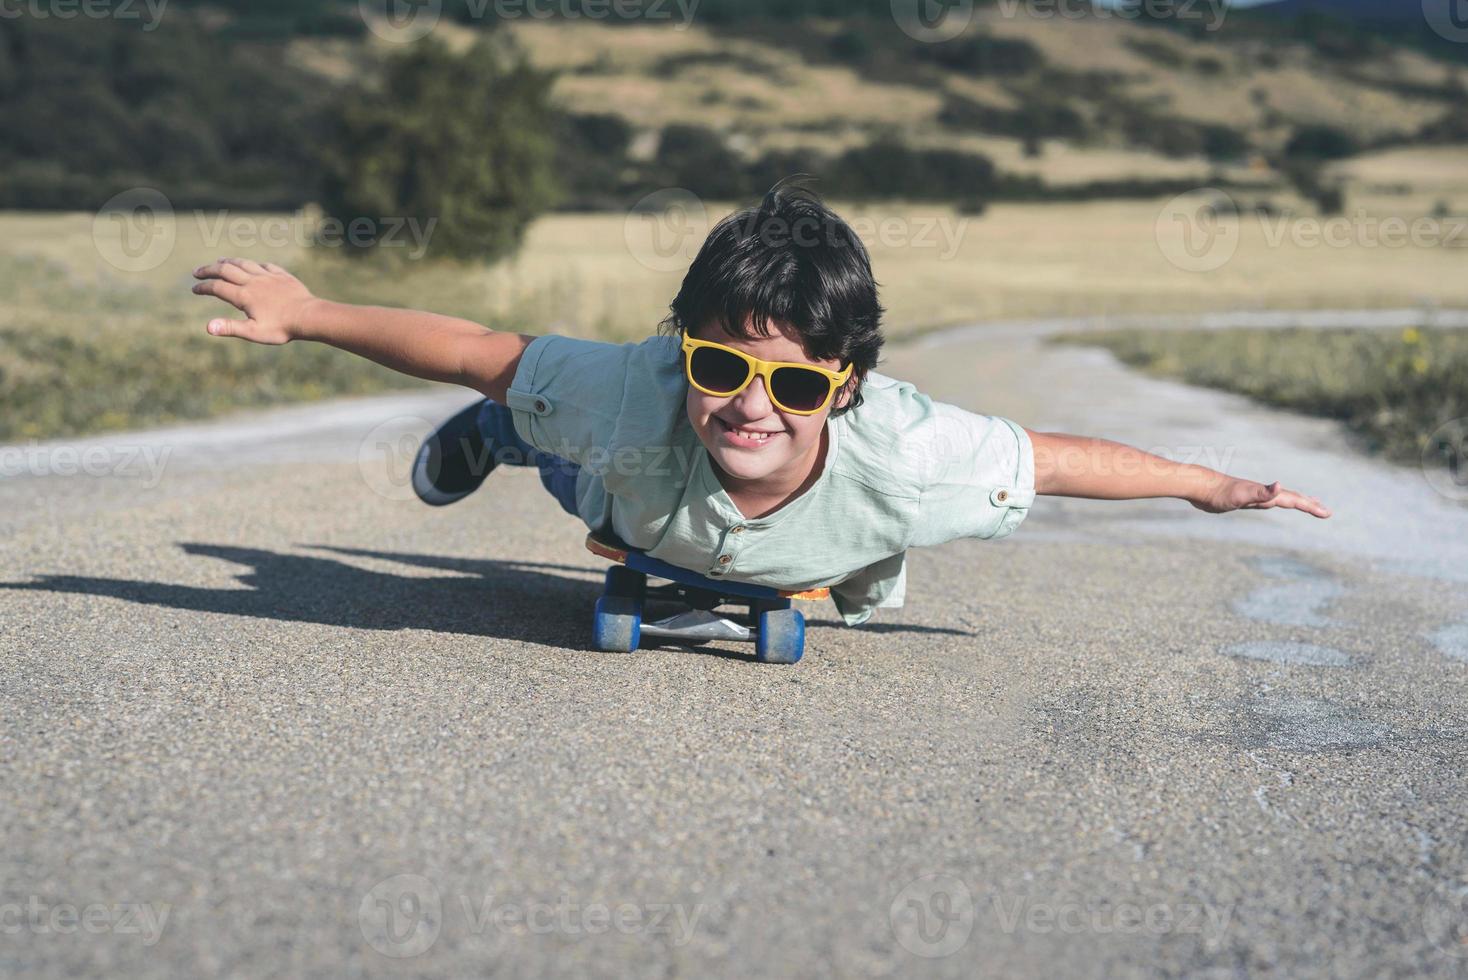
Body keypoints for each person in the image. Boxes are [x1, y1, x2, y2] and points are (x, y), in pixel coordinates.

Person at [191, 181, 1330, 626]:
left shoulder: (915, 455)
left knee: (706, 484)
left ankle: (808, 551)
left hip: (808, 528)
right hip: (635, 481)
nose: (749, 403)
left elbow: (1055, 458)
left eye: (789, 382)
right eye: (720, 364)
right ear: (684, 343)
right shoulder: (641, 389)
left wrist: (1205, 484)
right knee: (565, 434)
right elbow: (480, 347)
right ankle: (508, 440)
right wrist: (310, 309)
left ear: (844, 381)